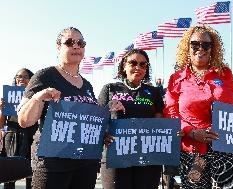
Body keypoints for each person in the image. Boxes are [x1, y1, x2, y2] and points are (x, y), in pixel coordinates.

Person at [17, 27, 123, 189]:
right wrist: (38, 97)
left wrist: (107, 113)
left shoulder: (87, 85)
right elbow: (24, 121)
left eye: (80, 43)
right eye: (69, 42)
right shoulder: (45, 76)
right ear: (58, 47)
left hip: (85, 162)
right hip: (53, 162)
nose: (76, 46)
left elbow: (85, 121)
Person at [163, 25, 233, 189]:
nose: (200, 49)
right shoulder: (176, 78)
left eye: (206, 45)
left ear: (212, 48)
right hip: (193, 151)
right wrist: (191, 132)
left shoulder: (225, 74)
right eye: (195, 44)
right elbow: (171, 113)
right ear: (187, 47)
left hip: (227, 148)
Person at [98, 48, 165, 189]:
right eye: (133, 63)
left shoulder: (154, 92)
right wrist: (104, 134)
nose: (138, 68)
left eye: (143, 64)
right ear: (124, 65)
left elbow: (159, 124)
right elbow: (97, 120)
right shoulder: (110, 89)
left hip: (147, 157)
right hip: (115, 155)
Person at [0, 68, 36, 189]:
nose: (21, 79)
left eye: (26, 77)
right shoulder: (8, 97)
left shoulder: (36, 97)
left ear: (31, 79)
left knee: (31, 171)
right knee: (10, 172)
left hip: (31, 135)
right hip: (12, 136)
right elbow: (1, 124)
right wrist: (1, 109)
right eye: (18, 76)